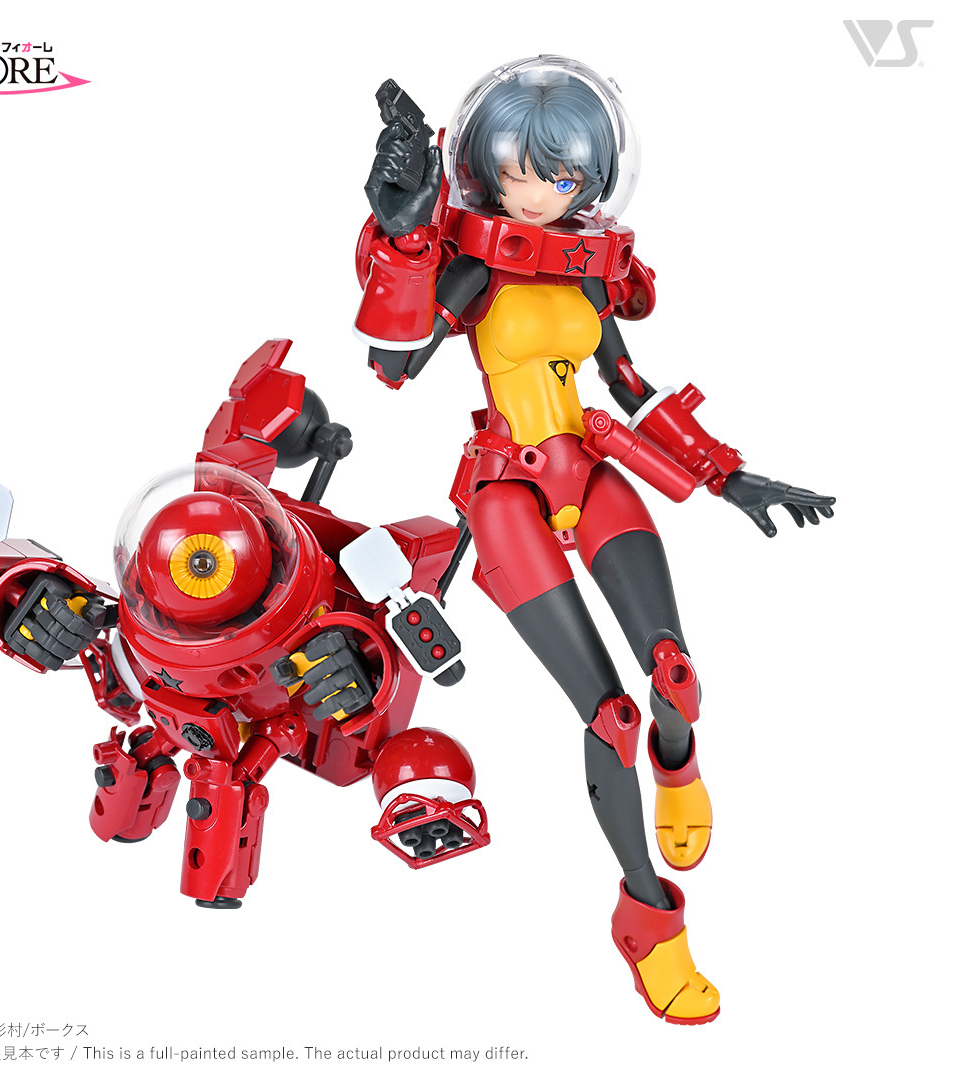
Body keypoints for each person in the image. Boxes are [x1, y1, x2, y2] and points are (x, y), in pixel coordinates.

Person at [353, 55, 834, 1024]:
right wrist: (405, 235)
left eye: (560, 172)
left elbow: (633, 388)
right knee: (608, 714)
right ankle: (646, 918)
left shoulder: (589, 270)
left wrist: (729, 476)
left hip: (595, 469)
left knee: (674, 679)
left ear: (592, 177)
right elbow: (393, 362)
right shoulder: (476, 269)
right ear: (486, 171)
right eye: (517, 170)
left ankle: (678, 762)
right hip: (506, 489)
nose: (536, 191)